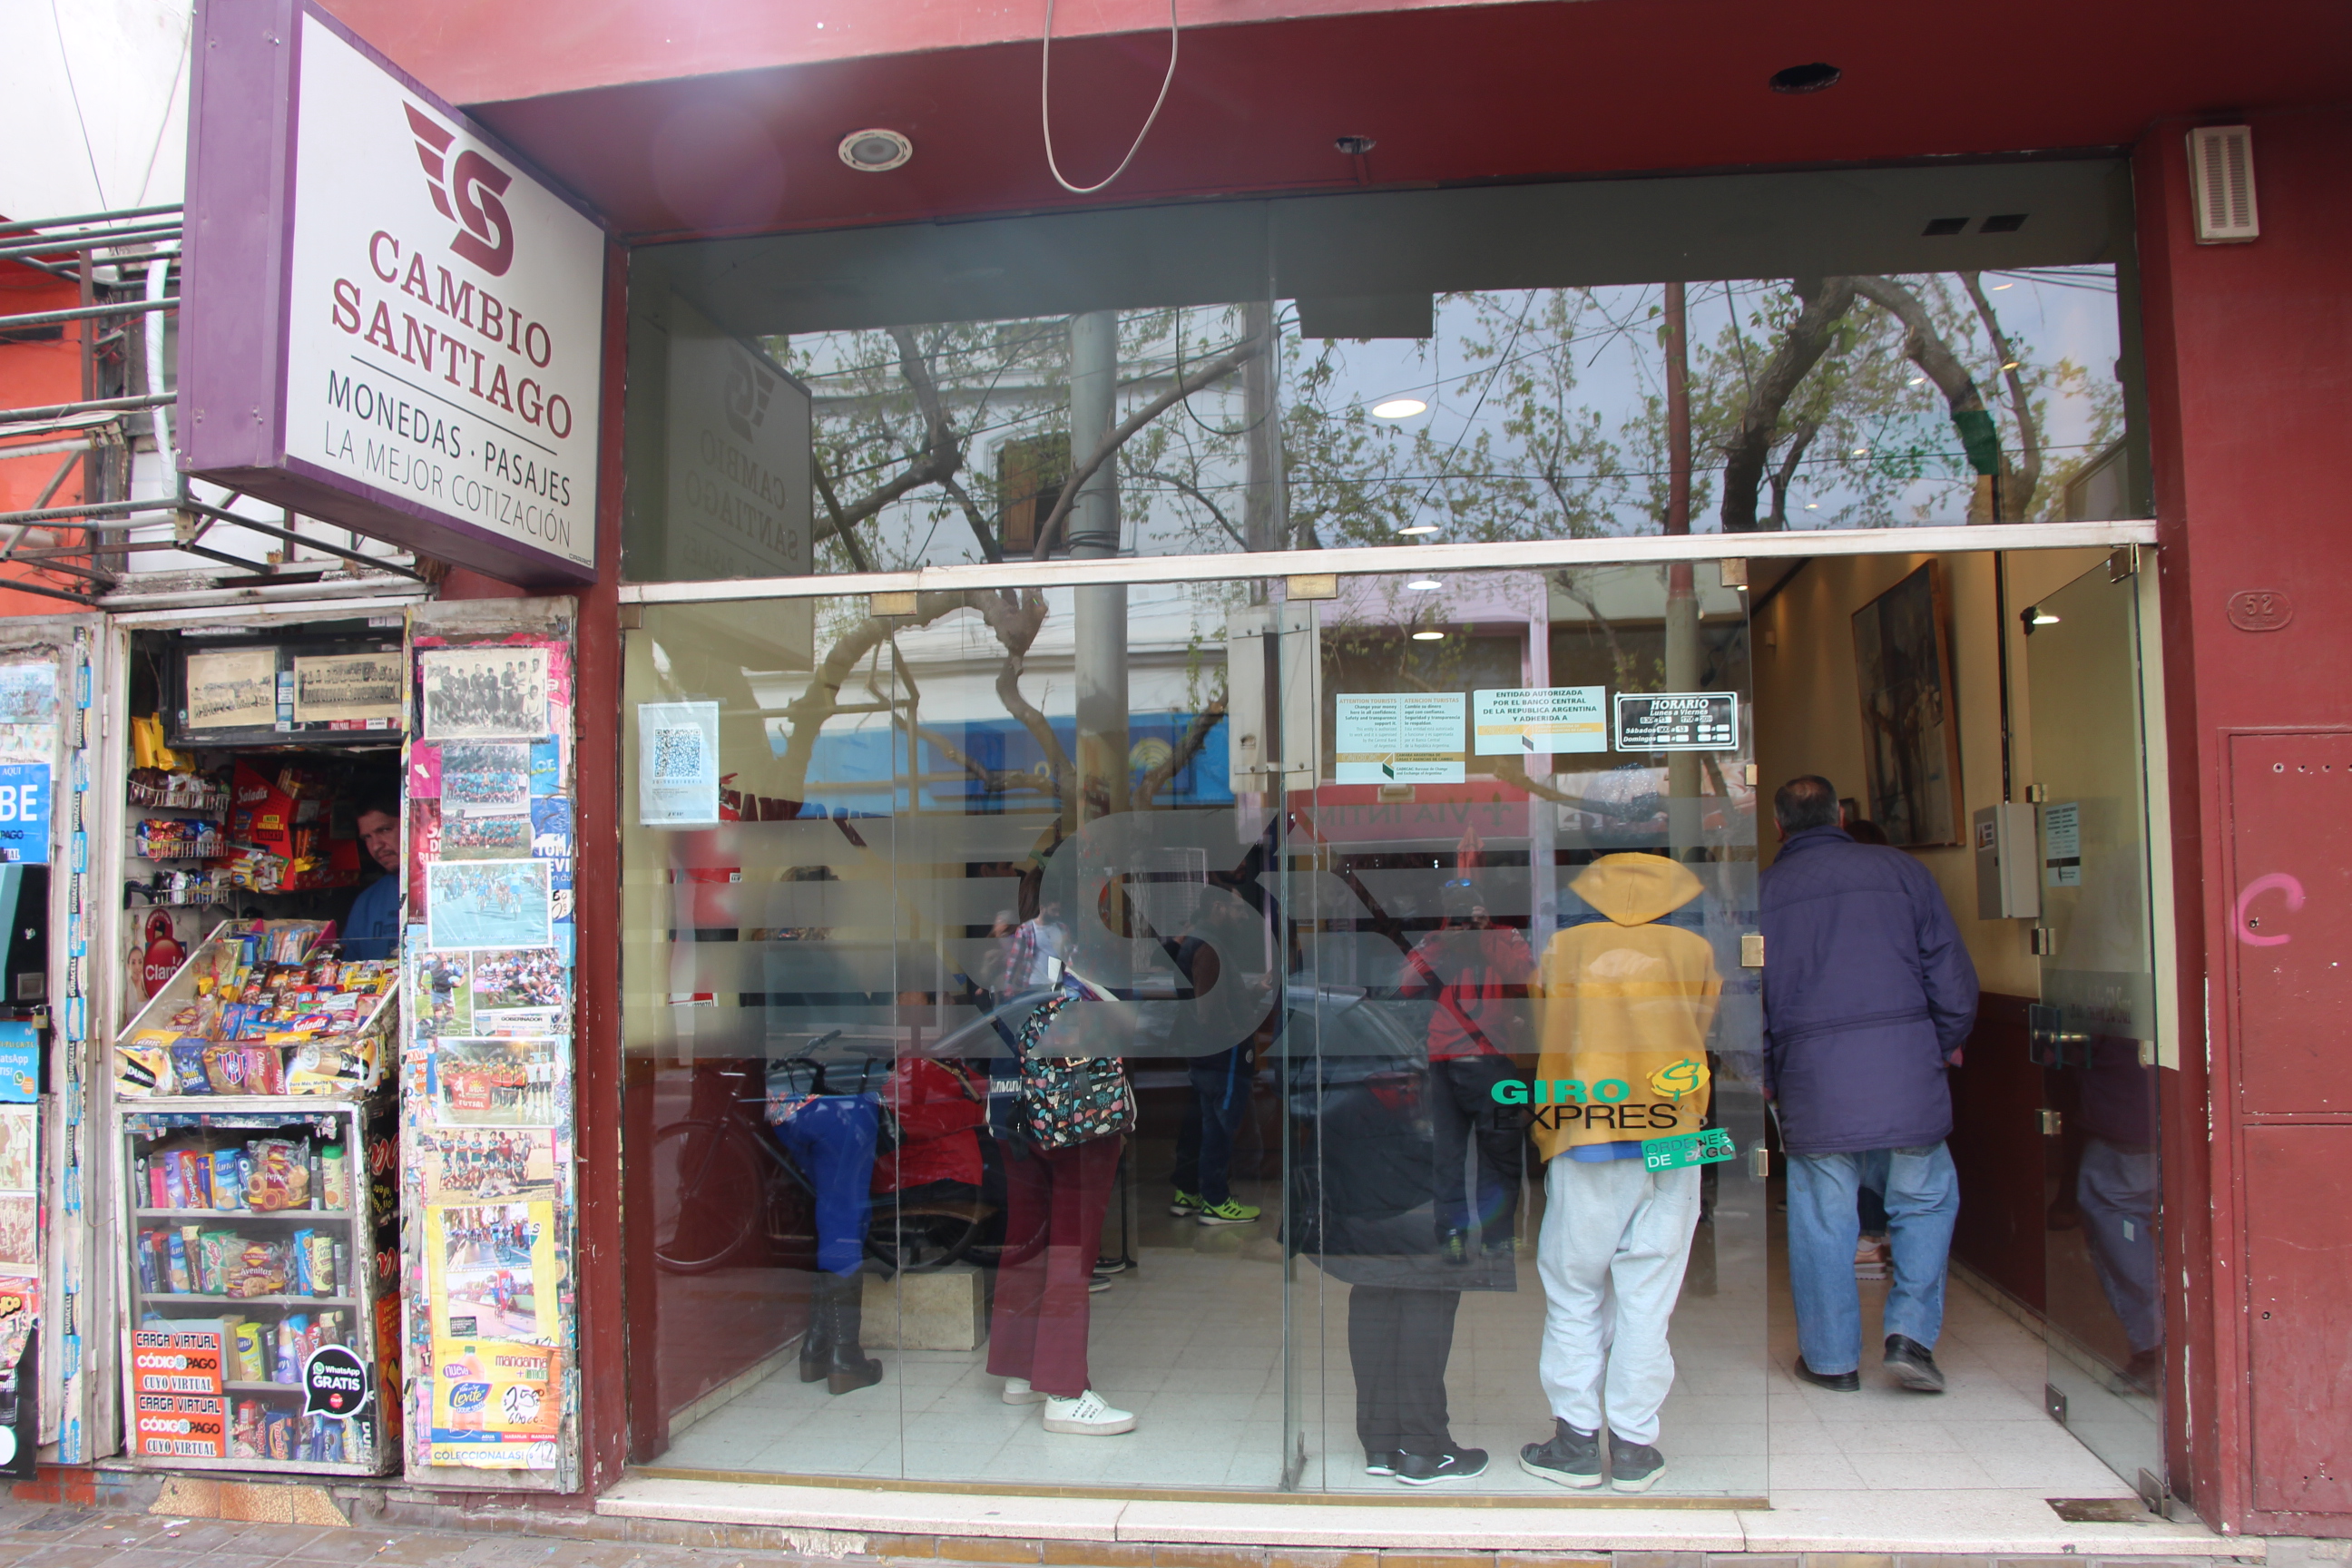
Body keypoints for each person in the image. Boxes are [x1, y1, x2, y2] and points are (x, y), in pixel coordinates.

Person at [1759, 776, 1979, 1395]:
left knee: (1823, 1221)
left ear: (1778, 827)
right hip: (1906, 1078)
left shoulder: (1762, 895)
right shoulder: (1904, 874)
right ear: (1840, 817)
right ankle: (1910, 1336)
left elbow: (1749, 1005)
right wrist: (1929, 1051)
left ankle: (1832, 1362)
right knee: (1925, 1201)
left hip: (1814, 1087)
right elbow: (1955, 984)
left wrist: (1770, 1077)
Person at [1517, 850, 1721, 1495]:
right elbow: (1704, 1027)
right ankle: (1634, 1446)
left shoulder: (1565, 948)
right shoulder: (1694, 950)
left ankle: (1576, 1442)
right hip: (1674, 1133)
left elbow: (1545, 1028)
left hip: (1588, 1130)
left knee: (1574, 1288)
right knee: (1649, 1295)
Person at [1292, 990, 1511, 1485]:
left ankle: (1381, 1442)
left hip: (1360, 1178)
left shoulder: (1364, 1008)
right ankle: (1423, 1448)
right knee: (1428, 1291)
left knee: (1374, 1287)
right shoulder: (1451, 1005)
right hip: (1424, 1181)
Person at [1398, 877, 1533, 1263]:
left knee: (1501, 1153)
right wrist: (1443, 942)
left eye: (1469, 911)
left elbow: (1525, 980)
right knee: (1448, 1155)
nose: (1463, 920)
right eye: (1455, 912)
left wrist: (1486, 936)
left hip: (1494, 1060)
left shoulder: (1504, 937)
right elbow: (1407, 986)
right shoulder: (1435, 942)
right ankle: (1452, 1235)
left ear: (1483, 908)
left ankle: (1497, 1238)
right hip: (1445, 1063)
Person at [1166, 885, 1272, 1226]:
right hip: (1221, 1056)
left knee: (1203, 1125)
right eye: (1238, 909)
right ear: (1217, 907)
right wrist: (1235, 1036)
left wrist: (1254, 992)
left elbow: (1216, 1000)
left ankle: (1191, 1192)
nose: (1244, 916)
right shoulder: (1208, 946)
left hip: (1206, 1054)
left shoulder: (1199, 942)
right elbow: (1208, 1010)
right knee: (1220, 1129)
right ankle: (1215, 1200)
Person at [339, 792, 405, 960]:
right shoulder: (366, 903)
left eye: (384, 830)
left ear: (411, 823)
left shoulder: (447, 887)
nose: (376, 846)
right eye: (367, 837)